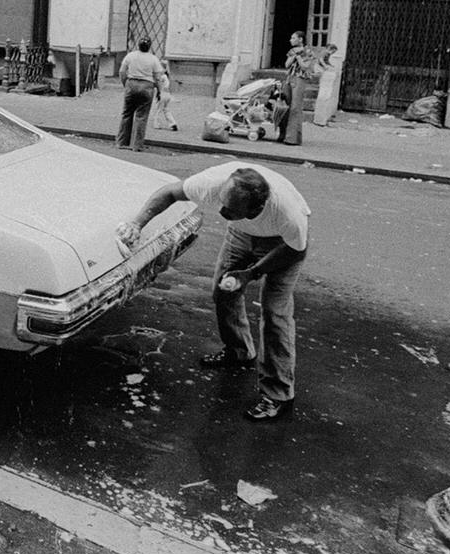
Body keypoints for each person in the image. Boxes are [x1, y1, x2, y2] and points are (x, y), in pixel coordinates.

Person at [117, 162, 310, 422]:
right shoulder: (214, 182)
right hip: (242, 232)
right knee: (223, 291)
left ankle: (278, 393)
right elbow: (169, 193)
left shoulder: (287, 214)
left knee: (275, 313)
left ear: (256, 209)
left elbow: (297, 250)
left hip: (282, 245)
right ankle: (239, 351)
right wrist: (137, 224)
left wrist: (251, 273)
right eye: (222, 202)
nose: (221, 210)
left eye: (230, 209)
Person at [116, 37, 166, 152]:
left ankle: (122, 142)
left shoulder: (130, 56)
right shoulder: (153, 59)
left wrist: (126, 84)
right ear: (149, 47)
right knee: (141, 116)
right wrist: (159, 91)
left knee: (126, 114)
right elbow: (158, 78)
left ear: (138, 45)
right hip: (147, 87)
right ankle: (137, 145)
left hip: (131, 84)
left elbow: (122, 71)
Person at [152, 57, 179, 132]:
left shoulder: (162, 77)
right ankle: (172, 123)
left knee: (158, 110)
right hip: (167, 94)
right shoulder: (167, 76)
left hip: (162, 94)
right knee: (166, 109)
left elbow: (157, 84)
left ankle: (157, 124)